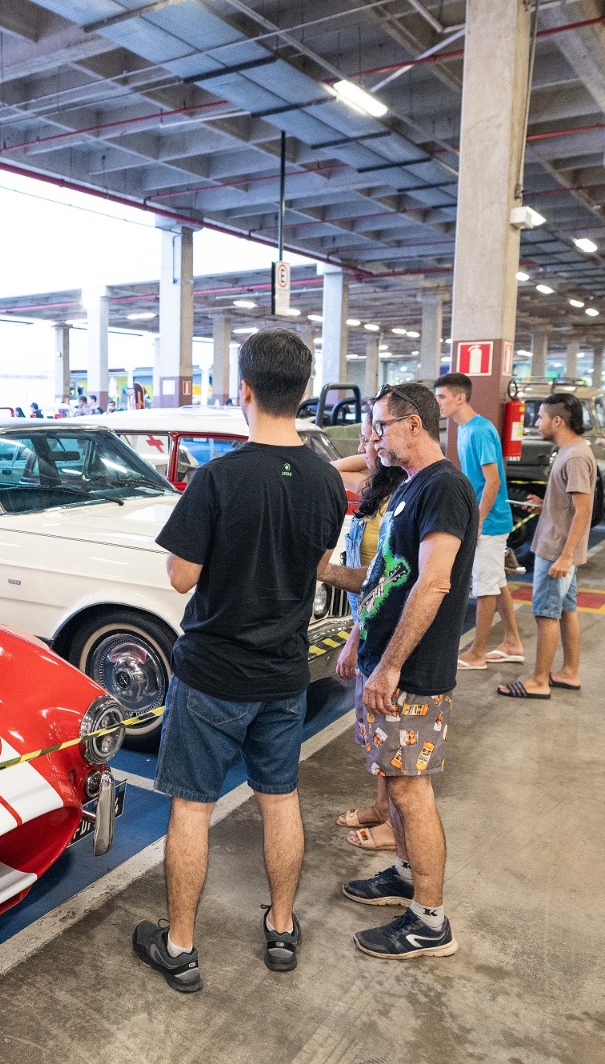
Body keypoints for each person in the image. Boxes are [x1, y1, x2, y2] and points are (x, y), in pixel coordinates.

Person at [133, 330, 345, 990]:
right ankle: (281, 928)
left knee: (192, 808)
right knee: (280, 801)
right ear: (306, 392)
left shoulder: (218, 478)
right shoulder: (325, 480)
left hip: (212, 676)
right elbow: (316, 566)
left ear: (243, 392)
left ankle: (182, 946)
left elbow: (180, 577)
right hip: (283, 673)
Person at [318, 381, 475, 960]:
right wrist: (356, 637)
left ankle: (430, 922)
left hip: (412, 674)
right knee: (394, 783)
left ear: (414, 424)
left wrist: (388, 667)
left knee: (410, 790)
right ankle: (407, 875)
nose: (375, 439)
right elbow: (386, 578)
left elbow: (433, 582)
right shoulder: (409, 489)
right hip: (383, 664)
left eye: (381, 427)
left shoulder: (445, 489)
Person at [332, 420, 408, 855]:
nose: (365, 446)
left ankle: (392, 826)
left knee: (385, 728)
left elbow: (385, 576)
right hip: (368, 618)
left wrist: (353, 639)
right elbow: (329, 467)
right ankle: (382, 808)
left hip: (378, 625)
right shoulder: (377, 487)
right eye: (362, 438)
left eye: (374, 434)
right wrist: (371, 447)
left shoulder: (402, 495)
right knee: (371, 726)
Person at [497, 393, 594, 700]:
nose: (536, 423)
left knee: (546, 613)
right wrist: (546, 505)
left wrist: (565, 556)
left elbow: (584, 510)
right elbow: (570, 504)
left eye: (540, 417)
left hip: (556, 552)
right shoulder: (570, 452)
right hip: (558, 548)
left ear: (557, 420)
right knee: (566, 610)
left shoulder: (575, 456)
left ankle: (539, 680)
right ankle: (569, 672)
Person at [434, 373, 525, 668]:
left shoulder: (480, 431)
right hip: (485, 519)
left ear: (460, 397)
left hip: (490, 521)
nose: (438, 403)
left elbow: (493, 481)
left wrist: (478, 521)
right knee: (496, 581)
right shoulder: (463, 430)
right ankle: (512, 641)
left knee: (484, 586)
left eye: (442, 397)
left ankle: (477, 653)